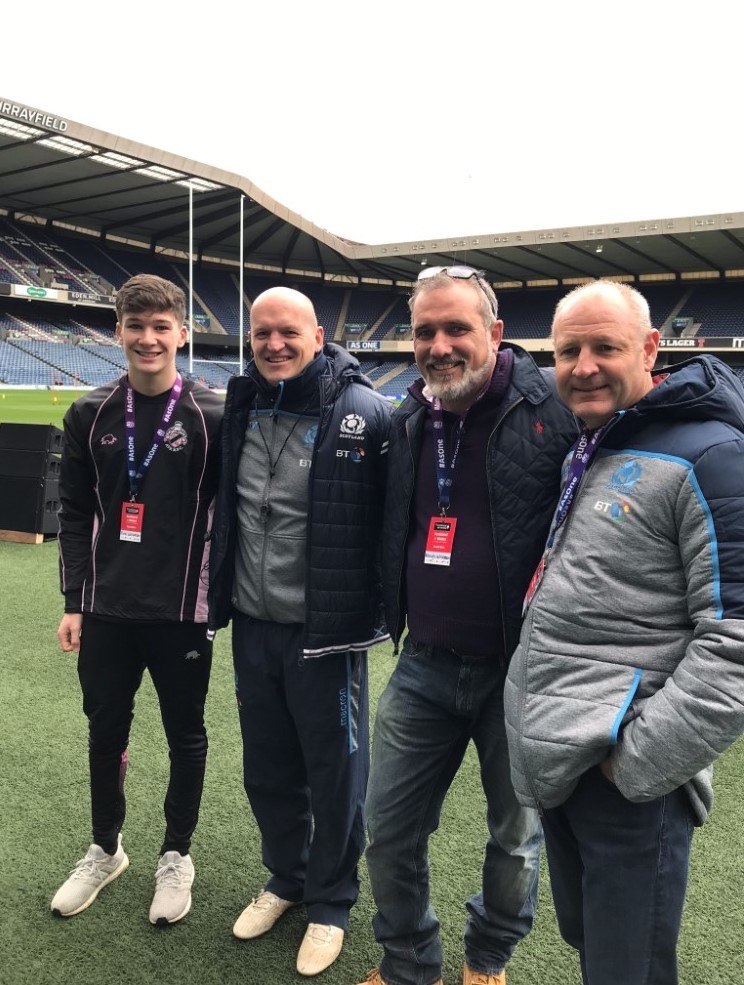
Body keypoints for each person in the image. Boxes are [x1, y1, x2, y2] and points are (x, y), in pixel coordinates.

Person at [504, 280, 744, 985]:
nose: (583, 366)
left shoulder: (712, 455)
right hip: (566, 759)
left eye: (604, 347)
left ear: (648, 349)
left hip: (627, 772)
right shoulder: (598, 439)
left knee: (626, 968)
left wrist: (634, 764)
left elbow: (735, 639)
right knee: (595, 945)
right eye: (569, 349)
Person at [358, 266, 578, 985]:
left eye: (457, 328)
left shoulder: (553, 409)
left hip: (521, 672)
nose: (440, 344)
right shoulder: (409, 418)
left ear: (494, 332)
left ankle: (487, 959)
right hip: (423, 661)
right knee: (387, 828)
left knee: (514, 838)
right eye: (425, 330)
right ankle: (407, 963)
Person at [208, 286, 391, 976]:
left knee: (336, 772)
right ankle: (287, 876)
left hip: (325, 634)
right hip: (254, 625)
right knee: (269, 767)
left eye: (288, 332)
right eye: (261, 334)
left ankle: (332, 900)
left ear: (318, 335)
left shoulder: (363, 411)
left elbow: (390, 518)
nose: (274, 344)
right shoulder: (243, 406)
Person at [52, 273, 223, 926]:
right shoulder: (87, 413)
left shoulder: (212, 415)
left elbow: (230, 513)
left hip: (182, 610)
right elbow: (71, 511)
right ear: (117, 331)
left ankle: (176, 855)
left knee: (187, 734)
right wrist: (74, 598)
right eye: (135, 325)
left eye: (161, 326)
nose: (148, 338)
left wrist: (221, 599)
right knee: (106, 731)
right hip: (104, 610)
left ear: (182, 332)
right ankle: (105, 847)